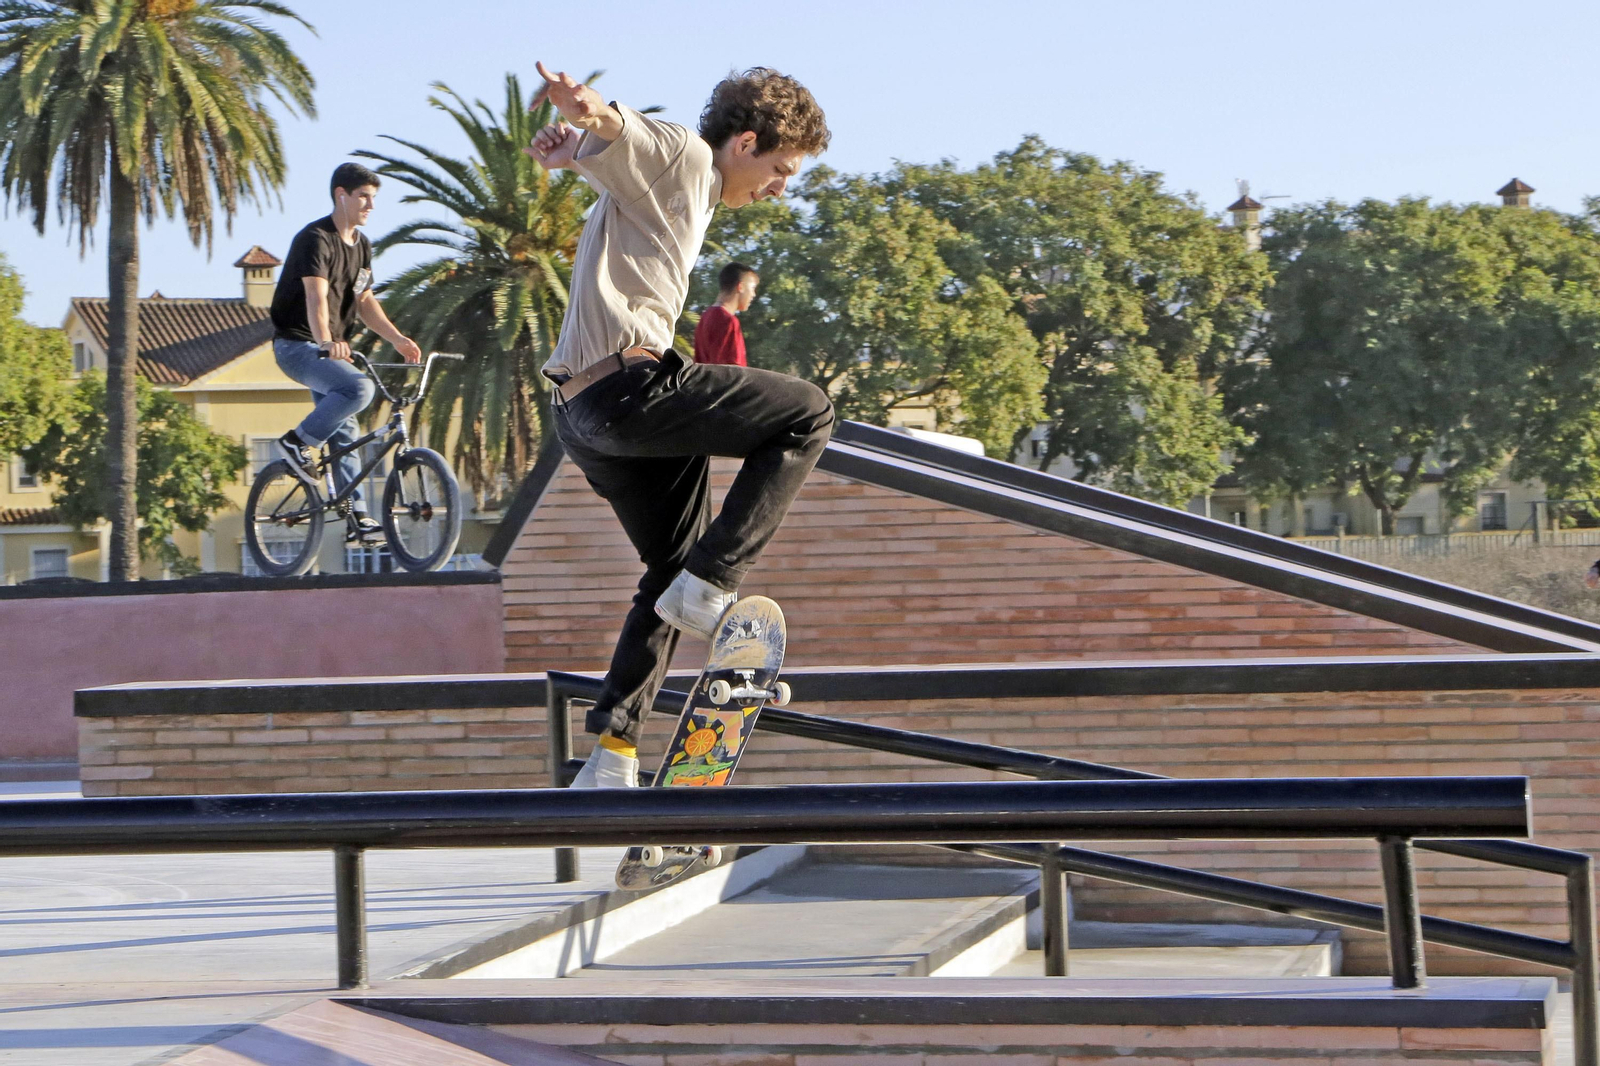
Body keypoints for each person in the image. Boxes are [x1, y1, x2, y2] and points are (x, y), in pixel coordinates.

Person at [528, 62, 834, 788]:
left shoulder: (669, 191)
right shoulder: (690, 158)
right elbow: (632, 132)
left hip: (584, 416)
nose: (780, 189)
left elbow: (614, 163)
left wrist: (576, 152)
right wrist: (591, 111)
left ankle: (613, 750)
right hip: (632, 392)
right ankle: (713, 584)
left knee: (670, 568)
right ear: (745, 142)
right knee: (808, 413)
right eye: (781, 170)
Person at [270, 162, 422, 543]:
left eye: (374, 198)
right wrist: (325, 341)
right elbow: (315, 296)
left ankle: (357, 518)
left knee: (347, 429)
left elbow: (365, 300)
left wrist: (397, 338)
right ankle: (298, 442)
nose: (371, 205)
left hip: (328, 350)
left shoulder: (363, 246)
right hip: (297, 345)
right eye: (363, 197)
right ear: (341, 195)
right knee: (358, 390)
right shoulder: (316, 239)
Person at [693, 263, 759, 367]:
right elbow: (731, 372)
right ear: (740, 287)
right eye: (752, 288)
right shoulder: (728, 321)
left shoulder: (705, 317)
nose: (753, 294)